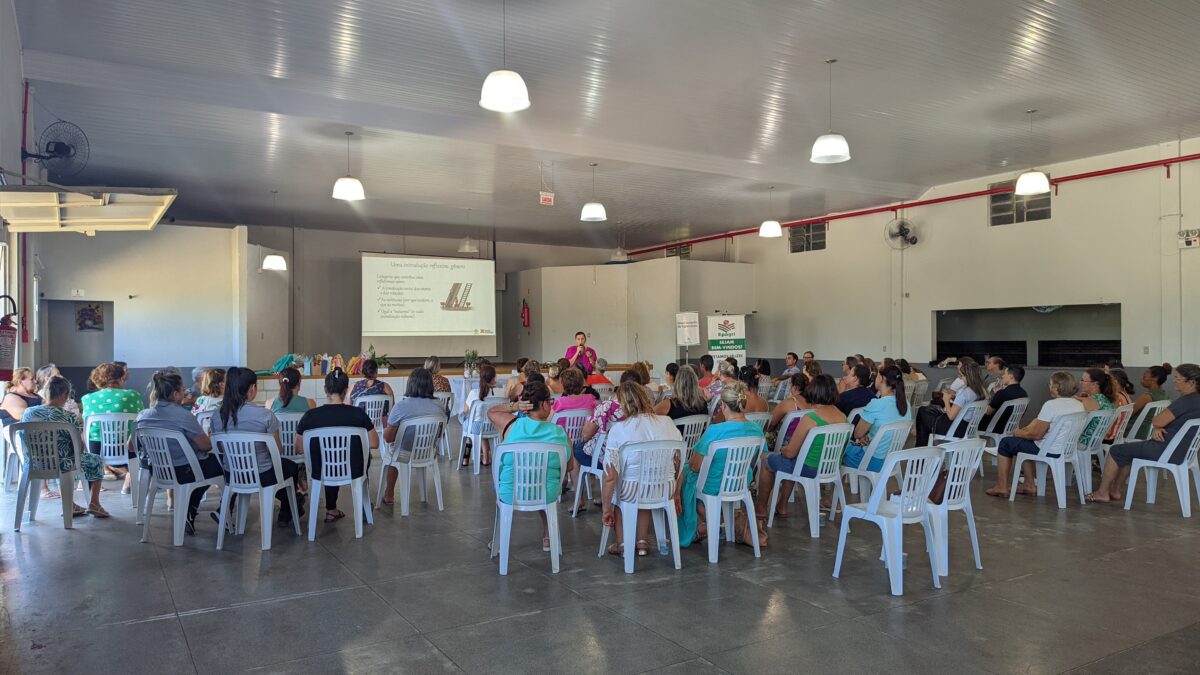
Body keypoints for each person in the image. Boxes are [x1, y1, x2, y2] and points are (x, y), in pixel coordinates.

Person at [1088, 364, 1200, 503]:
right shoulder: (1197, 399)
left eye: (1178, 378)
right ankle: (1115, 490)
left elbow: (1158, 420)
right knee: (1128, 451)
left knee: (1115, 450)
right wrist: (1157, 428)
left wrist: (1157, 425)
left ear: (1191, 382)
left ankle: (1102, 492)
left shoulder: (1185, 401)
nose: (1174, 381)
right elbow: (1161, 423)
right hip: (1182, 451)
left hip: (1164, 448)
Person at [600, 381, 684, 556]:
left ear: (623, 404)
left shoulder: (619, 430)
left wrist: (606, 509)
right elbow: (680, 462)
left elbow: (610, 476)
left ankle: (622, 544)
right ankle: (642, 542)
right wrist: (675, 489)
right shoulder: (667, 422)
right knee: (645, 483)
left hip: (634, 490)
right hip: (665, 487)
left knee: (619, 492)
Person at [210, 366, 303, 527]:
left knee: (283, 470)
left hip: (232, 474)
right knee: (290, 468)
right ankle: (288, 508)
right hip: (263, 475)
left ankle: (292, 504)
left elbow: (219, 448)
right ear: (252, 388)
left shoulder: (217, 415)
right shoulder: (265, 415)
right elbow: (277, 450)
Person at [676, 382, 765, 547]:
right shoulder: (757, 430)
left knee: (685, 476)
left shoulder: (715, 431)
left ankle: (699, 525)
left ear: (723, 405)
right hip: (739, 483)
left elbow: (695, 466)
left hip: (712, 486)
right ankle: (707, 521)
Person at [487, 381, 570, 552]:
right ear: (544, 404)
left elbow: (491, 411)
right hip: (546, 493)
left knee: (510, 482)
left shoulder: (510, 426)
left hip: (510, 492)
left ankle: (500, 540)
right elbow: (568, 467)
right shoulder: (559, 433)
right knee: (542, 481)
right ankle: (548, 535)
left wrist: (515, 406)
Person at [137, 370, 220, 534]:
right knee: (223, 465)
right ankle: (221, 512)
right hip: (185, 471)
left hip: (158, 471)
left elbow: (132, 446)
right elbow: (205, 446)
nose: (185, 392)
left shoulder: (143, 416)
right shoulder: (184, 416)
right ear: (175, 394)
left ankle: (191, 509)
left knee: (205, 468)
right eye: (183, 389)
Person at [756, 374, 846, 518]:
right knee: (791, 460)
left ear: (814, 391)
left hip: (809, 468)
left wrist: (783, 449)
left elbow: (790, 453)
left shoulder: (811, 418)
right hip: (830, 469)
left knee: (768, 461)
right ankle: (782, 505)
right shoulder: (843, 417)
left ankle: (761, 509)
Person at [296, 368, 378, 523]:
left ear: (326, 389)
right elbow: (374, 443)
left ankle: (331, 509)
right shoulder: (358, 414)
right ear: (346, 390)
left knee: (328, 457)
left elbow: (299, 448)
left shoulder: (311, 416)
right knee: (363, 455)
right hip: (353, 470)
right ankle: (362, 503)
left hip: (320, 470)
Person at [986, 371, 1085, 498]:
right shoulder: (1078, 405)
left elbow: (1036, 435)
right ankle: (1029, 484)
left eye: (1050, 384)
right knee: (1023, 444)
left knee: (1006, 443)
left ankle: (1002, 487)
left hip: (1047, 449)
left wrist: (1018, 432)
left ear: (1057, 387)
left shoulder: (1051, 405)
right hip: (1065, 449)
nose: (1049, 387)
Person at [22, 376, 108, 518]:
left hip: (34, 463)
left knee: (60, 458)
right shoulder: (68, 417)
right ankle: (94, 503)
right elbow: (78, 449)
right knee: (96, 460)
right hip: (61, 464)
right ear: (65, 394)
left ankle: (70, 504)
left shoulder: (29, 412)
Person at [379, 368, 447, 504]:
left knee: (393, 453)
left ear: (410, 384)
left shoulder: (401, 407)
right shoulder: (439, 406)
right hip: (428, 453)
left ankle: (389, 494)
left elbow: (388, 438)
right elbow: (440, 434)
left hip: (405, 455)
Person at [573, 371, 641, 496]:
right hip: (632, 459)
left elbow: (586, 435)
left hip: (606, 459)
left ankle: (580, 498)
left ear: (620, 386)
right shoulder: (643, 409)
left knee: (577, 449)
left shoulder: (606, 407)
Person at [80, 362, 144, 491]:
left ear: (97, 381)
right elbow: (140, 420)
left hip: (96, 450)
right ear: (120, 378)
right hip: (128, 448)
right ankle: (129, 484)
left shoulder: (87, 399)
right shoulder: (132, 395)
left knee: (93, 437)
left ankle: (93, 501)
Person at [844, 366, 912, 475]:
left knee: (837, 449)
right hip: (891, 460)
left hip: (870, 461)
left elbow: (857, 434)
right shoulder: (905, 404)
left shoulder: (876, 404)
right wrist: (867, 437)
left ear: (881, 379)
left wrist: (862, 437)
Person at [915, 360, 985, 445]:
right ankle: (922, 447)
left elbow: (951, 416)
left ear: (969, 376)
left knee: (922, 411)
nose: (960, 378)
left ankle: (921, 448)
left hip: (954, 428)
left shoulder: (965, 392)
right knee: (927, 414)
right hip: (967, 427)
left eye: (962, 376)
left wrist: (946, 400)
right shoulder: (980, 391)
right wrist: (955, 398)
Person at [461, 363, 500, 467]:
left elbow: (465, 410)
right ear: (494, 378)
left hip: (477, 428)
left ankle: (465, 458)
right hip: (494, 427)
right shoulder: (500, 392)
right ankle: (486, 457)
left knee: (468, 422)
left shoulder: (474, 392)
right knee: (481, 424)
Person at [980, 365, 1029, 431]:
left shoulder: (1002, 393)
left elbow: (988, 412)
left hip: (994, 427)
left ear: (1011, 376)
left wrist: (991, 396)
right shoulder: (1024, 393)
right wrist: (998, 394)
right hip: (1011, 427)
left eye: (1005, 374)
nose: (1002, 376)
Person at [1076, 368, 1116, 448]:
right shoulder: (1103, 398)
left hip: (1084, 442)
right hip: (1096, 441)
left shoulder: (1092, 400)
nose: (1080, 383)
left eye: (1083, 380)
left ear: (1095, 384)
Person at [1131, 364, 1173, 439]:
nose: (1141, 378)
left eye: (1144, 376)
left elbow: (1128, 414)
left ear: (1155, 378)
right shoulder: (1166, 396)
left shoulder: (1147, 397)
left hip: (1136, 432)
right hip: (1151, 432)